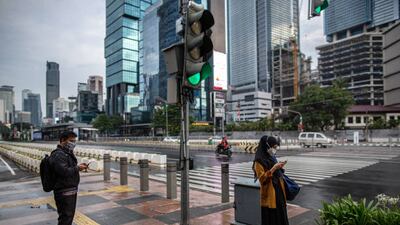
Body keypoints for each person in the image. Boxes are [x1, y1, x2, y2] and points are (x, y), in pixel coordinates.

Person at [50, 131, 88, 225]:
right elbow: (64, 171)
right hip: (64, 191)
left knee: (68, 217)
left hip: (68, 190)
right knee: (66, 218)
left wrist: (77, 167)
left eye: (74, 141)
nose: (73, 144)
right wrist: (78, 168)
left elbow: (68, 168)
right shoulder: (59, 154)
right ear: (62, 140)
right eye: (71, 141)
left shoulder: (65, 153)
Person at [252, 135, 289, 225]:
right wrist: (273, 169)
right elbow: (262, 179)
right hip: (269, 195)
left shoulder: (271, 157)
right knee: (272, 219)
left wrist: (279, 167)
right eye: (273, 147)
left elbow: (278, 172)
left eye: (276, 147)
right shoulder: (258, 161)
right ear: (267, 146)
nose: (274, 149)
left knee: (281, 216)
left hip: (279, 192)